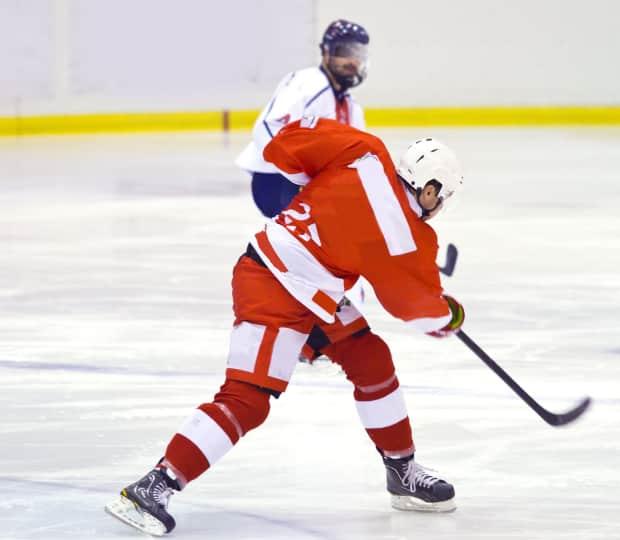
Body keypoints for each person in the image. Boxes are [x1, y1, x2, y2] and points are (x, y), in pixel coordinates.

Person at [105, 118, 467, 536]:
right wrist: (450, 316)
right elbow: (416, 308)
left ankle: (401, 472)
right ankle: (155, 485)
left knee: (371, 359)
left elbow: (284, 147)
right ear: (430, 189)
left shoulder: (363, 150)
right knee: (247, 399)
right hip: (273, 286)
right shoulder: (409, 239)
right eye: (441, 200)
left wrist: (321, 198)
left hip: (307, 288)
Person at [236, 19, 369, 218]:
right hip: (277, 182)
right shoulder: (307, 84)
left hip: (308, 184)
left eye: (357, 53)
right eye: (344, 52)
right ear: (325, 52)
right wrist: (299, 175)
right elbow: (267, 126)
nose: (352, 60)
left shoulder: (351, 105)